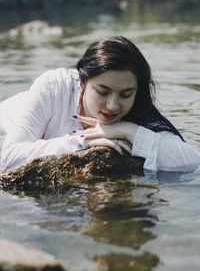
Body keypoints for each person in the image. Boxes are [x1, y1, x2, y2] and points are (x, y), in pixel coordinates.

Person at [0, 36, 200, 172]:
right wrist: (83, 141)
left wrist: (128, 130)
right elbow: (8, 158)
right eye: (103, 92)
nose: (113, 106)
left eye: (126, 94)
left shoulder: (137, 110)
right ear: (83, 80)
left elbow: (191, 161)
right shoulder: (54, 87)